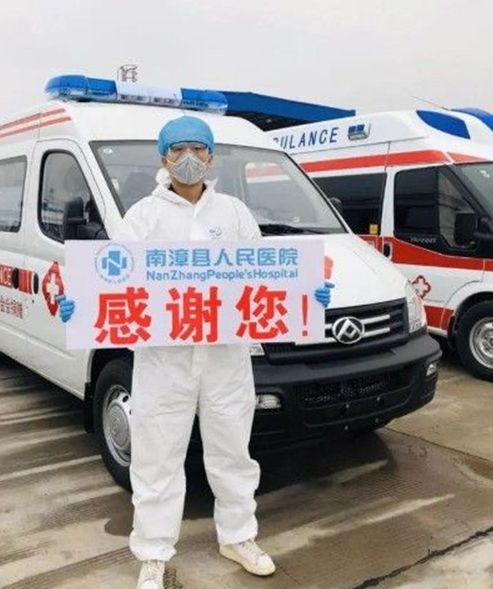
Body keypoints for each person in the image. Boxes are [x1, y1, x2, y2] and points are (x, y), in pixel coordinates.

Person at [56, 116, 333, 589]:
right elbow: (112, 277)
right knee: (156, 458)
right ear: (163, 158)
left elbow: (265, 274)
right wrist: (82, 303)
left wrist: (306, 294)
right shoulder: (143, 216)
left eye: (198, 149)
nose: (189, 158)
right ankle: (152, 553)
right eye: (179, 149)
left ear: (211, 155)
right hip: (164, 360)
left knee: (233, 453)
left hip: (226, 358)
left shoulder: (234, 214)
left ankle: (238, 537)